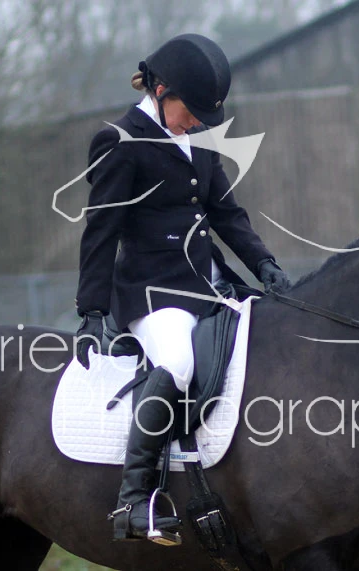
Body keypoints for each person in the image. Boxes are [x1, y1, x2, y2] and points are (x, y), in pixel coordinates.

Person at [73, 33, 290, 540]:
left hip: (210, 284)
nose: (195, 123)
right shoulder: (119, 141)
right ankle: (134, 500)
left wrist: (264, 264)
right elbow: (101, 230)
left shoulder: (198, 140)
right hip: (154, 293)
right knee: (177, 363)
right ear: (160, 90)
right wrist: (92, 310)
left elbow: (226, 214)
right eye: (189, 111)